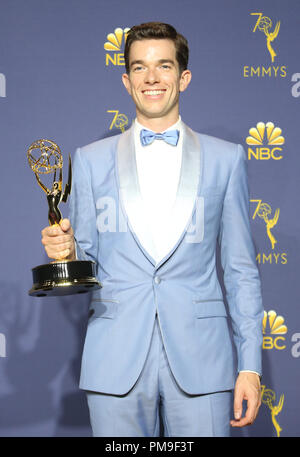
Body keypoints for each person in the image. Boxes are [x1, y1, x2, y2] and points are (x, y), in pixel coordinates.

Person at [41, 22, 263, 437]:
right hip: (115, 356)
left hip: (203, 359)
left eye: (164, 66)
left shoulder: (226, 159)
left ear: (184, 76)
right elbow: (84, 259)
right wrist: (65, 253)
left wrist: (249, 366)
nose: (152, 78)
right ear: (127, 81)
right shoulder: (89, 160)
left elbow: (240, 270)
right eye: (140, 68)